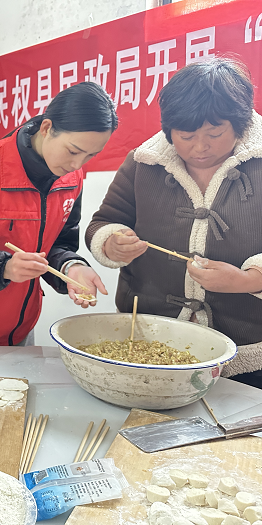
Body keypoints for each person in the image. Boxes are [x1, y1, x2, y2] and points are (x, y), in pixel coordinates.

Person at [86, 57, 262, 388]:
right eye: (186, 135)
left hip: (250, 349)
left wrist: (247, 279)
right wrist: (113, 242)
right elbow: (103, 223)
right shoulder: (144, 163)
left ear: (241, 125)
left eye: (215, 133)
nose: (200, 147)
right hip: (151, 341)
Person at [0, 82, 117, 348]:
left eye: (90, 156)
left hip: (21, 323)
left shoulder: (71, 180)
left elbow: (59, 244)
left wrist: (71, 267)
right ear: (47, 128)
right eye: (73, 151)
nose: (77, 165)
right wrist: (4, 267)